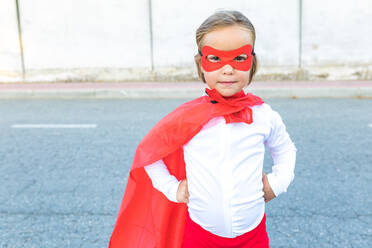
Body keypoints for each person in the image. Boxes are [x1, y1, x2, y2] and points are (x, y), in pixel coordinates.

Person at [109, 10, 296, 248]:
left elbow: (285, 148)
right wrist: (173, 189)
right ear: (201, 64)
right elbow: (149, 154)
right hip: (200, 235)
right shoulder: (187, 117)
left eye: (239, 58)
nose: (228, 70)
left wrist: (277, 183)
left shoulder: (263, 115)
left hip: (253, 235)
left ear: (253, 62)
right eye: (215, 59)